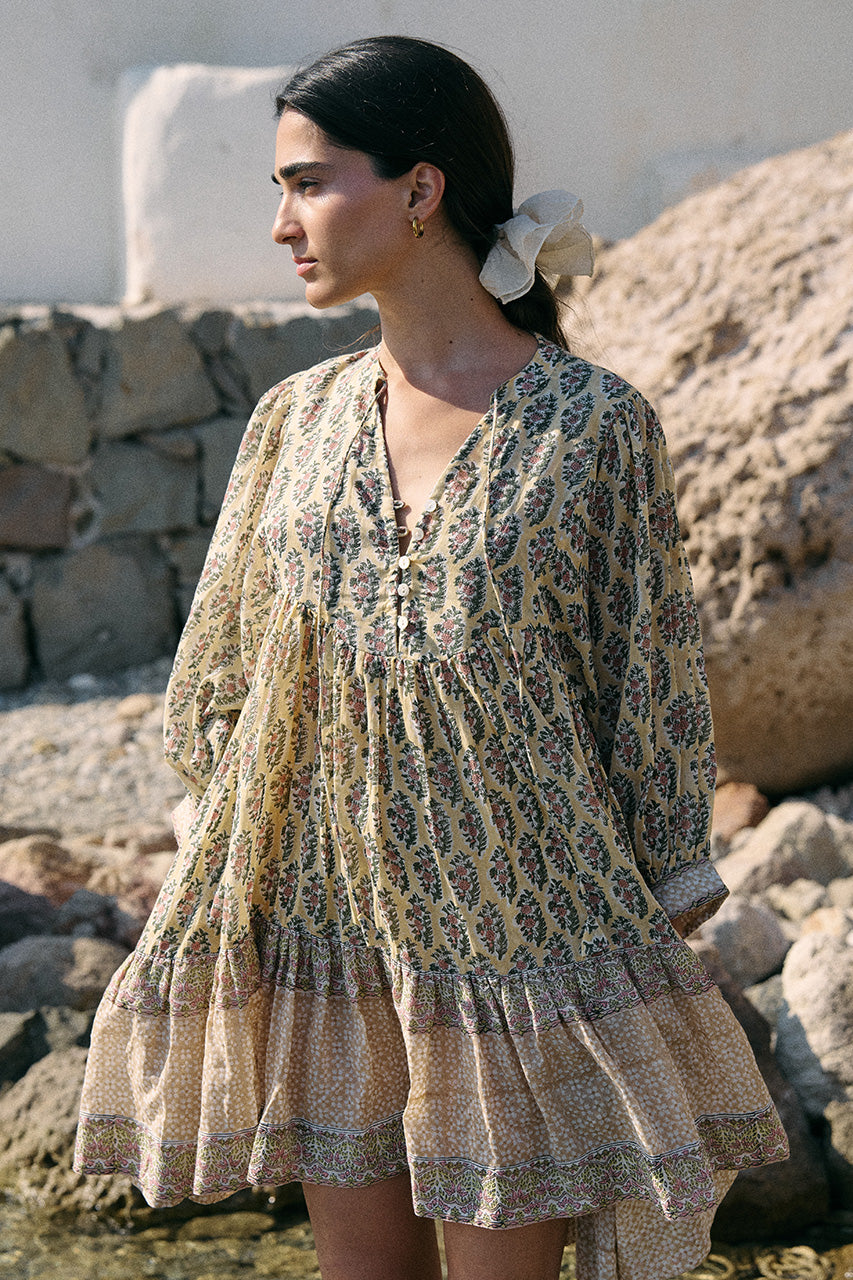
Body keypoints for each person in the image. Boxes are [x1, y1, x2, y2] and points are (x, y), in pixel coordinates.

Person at [75, 35, 787, 1280]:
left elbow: (652, 689)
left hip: (515, 946)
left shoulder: (595, 425)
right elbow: (218, 678)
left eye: (308, 181)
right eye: (277, 190)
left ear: (419, 188)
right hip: (327, 942)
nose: (284, 222)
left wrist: (660, 889)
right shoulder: (292, 421)